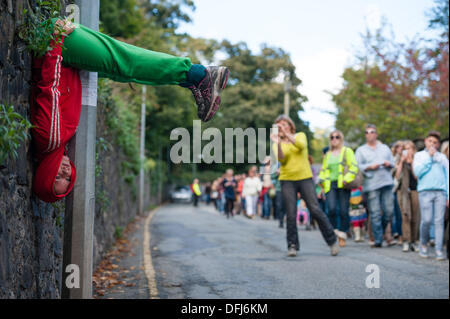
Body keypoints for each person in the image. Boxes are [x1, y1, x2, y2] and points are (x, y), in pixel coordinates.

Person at [31, 19, 229, 202]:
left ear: (45, 173)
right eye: (67, 177)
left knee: (125, 63)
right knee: (125, 72)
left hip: (59, 44)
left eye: (58, 176)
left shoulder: (51, 139)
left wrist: (56, 40)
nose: (66, 170)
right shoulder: (57, 145)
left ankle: (198, 75)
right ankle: (190, 80)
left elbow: (50, 88)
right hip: (66, 58)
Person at [270, 115, 339, 257]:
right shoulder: (277, 143)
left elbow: (300, 146)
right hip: (287, 179)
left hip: (305, 177)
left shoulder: (300, 135)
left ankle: (332, 241)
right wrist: (277, 142)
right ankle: (292, 245)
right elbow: (282, 160)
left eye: (284, 124)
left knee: (315, 209)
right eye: (279, 125)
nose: (282, 127)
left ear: (290, 125)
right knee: (290, 213)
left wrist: (287, 135)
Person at [355, 124, 395, 248]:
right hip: (371, 184)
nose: (370, 134)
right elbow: (357, 166)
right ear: (365, 135)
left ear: (376, 134)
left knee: (389, 211)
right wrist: (369, 167)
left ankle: (381, 232)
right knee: (375, 213)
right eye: (367, 132)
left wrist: (389, 164)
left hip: (386, 182)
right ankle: (378, 239)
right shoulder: (361, 150)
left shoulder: (385, 148)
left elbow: (393, 163)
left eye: (372, 132)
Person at [318, 130, 359, 247]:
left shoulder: (347, 151)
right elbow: (324, 169)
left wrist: (347, 178)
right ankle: (334, 232)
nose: (334, 139)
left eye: (337, 137)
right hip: (330, 184)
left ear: (341, 139)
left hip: (343, 183)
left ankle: (342, 234)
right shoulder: (328, 154)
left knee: (343, 210)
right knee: (331, 209)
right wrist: (320, 181)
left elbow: (354, 167)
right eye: (332, 137)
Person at [413, 131, 449, 261]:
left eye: (435, 142)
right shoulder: (419, 156)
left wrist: (448, 195)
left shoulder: (442, 158)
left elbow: (448, 176)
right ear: (425, 142)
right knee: (426, 220)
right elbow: (417, 172)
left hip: (440, 192)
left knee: (439, 221)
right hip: (425, 191)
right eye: (430, 141)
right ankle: (423, 244)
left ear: (438, 144)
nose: (432, 144)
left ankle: (439, 249)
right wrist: (429, 157)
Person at [395, 140, 420, 252]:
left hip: (415, 190)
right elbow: (397, 175)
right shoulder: (399, 159)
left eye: (409, 148)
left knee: (414, 217)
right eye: (405, 148)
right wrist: (402, 162)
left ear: (413, 150)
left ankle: (413, 241)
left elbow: (416, 176)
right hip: (402, 191)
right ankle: (406, 240)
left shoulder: (418, 160)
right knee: (405, 216)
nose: (407, 151)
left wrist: (411, 162)